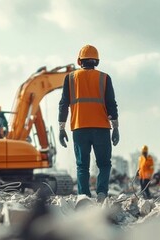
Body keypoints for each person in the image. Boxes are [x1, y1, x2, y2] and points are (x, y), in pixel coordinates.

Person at [58, 44, 119, 201]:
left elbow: (63, 104)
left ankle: (83, 196)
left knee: (82, 166)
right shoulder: (104, 78)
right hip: (101, 128)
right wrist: (116, 128)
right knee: (104, 164)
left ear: (79, 61)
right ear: (96, 61)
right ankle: (101, 193)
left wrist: (61, 128)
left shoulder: (70, 78)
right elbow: (111, 104)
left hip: (79, 128)